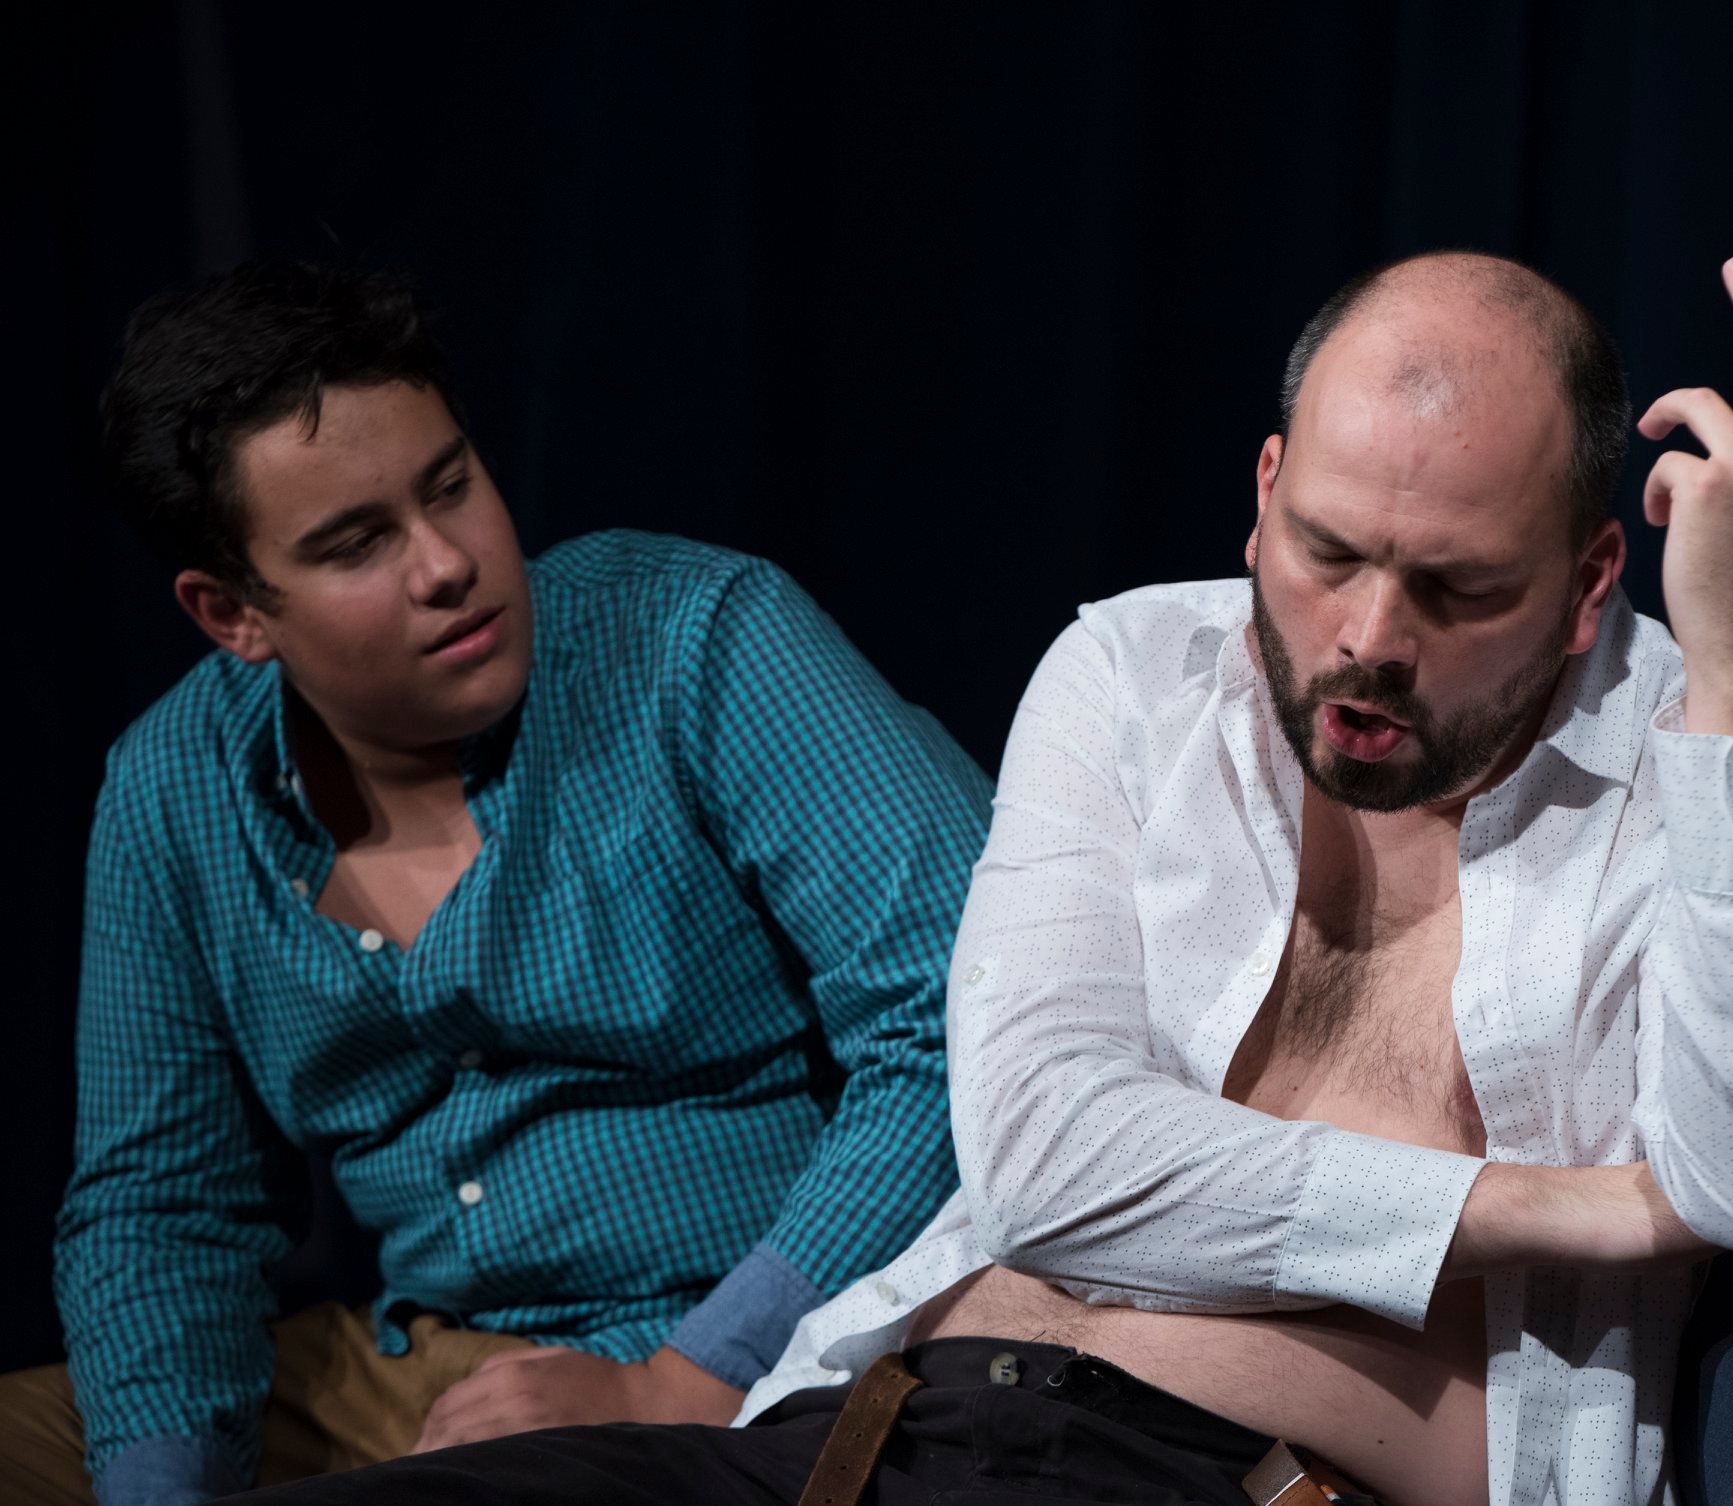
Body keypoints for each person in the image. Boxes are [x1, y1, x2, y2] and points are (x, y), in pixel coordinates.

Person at [216, 250, 1733, 1506]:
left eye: (1455, 589)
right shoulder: (1131, 674)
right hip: (860, 1431)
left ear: (1593, 578)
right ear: (1263, 496)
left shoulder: (1732, 766)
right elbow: (1038, 1157)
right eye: (1326, 553)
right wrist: (1573, 1207)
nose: (1368, 639)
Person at [0, 262, 994, 1505]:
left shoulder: (698, 637)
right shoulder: (172, 789)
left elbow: (967, 1019)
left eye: (449, 486)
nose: (445, 564)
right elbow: (164, 1210)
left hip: (783, 1339)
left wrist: (685, 1377)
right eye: (357, 543)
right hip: (433, 1371)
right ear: (232, 614)